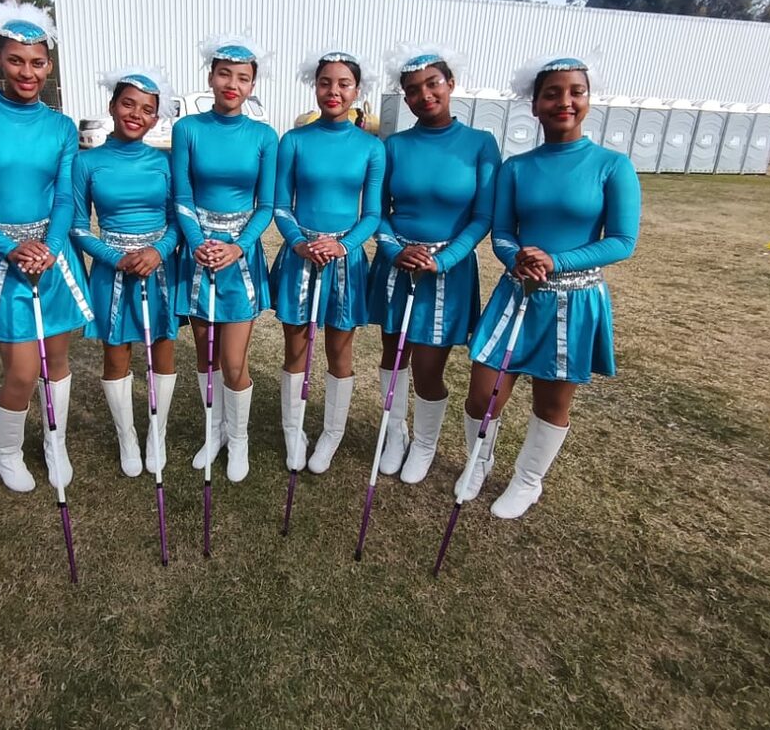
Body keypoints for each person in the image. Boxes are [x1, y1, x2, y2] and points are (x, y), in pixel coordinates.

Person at [455, 54, 640, 518]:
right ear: (534, 105)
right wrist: (517, 258)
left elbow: (621, 241)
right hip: (517, 293)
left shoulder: (613, 166)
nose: (565, 101)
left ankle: (527, 481)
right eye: (552, 93)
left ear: (588, 100)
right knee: (484, 392)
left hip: (573, 300)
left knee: (551, 399)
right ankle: (478, 462)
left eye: (575, 92)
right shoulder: (516, 167)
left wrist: (555, 260)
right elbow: (501, 233)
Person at [0, 1, 94, 493]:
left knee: (57, 362)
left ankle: (55, 441)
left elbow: (64, 198)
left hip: (52, 258)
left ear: (49, 65)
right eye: (16, 60)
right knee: (22, 371)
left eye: (37, 62)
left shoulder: (60, 126)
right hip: (1, 257)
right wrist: (9, 248)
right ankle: (6, 448)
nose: (27, 72)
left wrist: (51, 246)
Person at [368, 45, 501, 484]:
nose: (424, 95)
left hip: (447, 269)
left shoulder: (481, 144)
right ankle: (395, 434)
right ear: (404, 98)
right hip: (397, 264)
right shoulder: (394, 145)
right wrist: (392, 249)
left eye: (432, 84)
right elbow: (378, 211)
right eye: (412, 90)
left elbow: (484, 216)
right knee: (393, 355)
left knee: (429, 365)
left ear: (450, 84)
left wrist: (444, 260)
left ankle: (424, 443)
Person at [272, 48, 385, 475]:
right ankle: (293, 430)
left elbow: (372, 213)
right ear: (314, 86)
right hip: (300, 254)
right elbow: (280, 204)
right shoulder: (294, 140)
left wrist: (345, 245)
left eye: (343, 84)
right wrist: (300, 241)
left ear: (357, 90)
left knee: (340, 349)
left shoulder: (372, 148)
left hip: (345, 259)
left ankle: (331, 434)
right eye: (325, 83)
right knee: (296, 344)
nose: (333, 91)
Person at [171, 34, 278, 482]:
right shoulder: (187, 129)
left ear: (253, 85)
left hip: (240, 256)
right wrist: (198, 242)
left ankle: (239, 439)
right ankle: (213, 431)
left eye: (243, 78)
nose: (232, 84)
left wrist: (237, 247)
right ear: (210, 77)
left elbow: (267, 205)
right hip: (198, 253)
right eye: (224, 74)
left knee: (233, 361)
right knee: (204, 352)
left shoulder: (264, 135)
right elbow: (181, 194)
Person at [73, 67, 180, 476]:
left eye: (147, 109)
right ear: (112, 106)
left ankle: (157, 432)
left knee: (163, 352)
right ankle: (127, 437)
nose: (136, 114)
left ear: (156, 117)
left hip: (159, 267)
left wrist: (158, 250)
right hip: (110, 268)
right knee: (116, 354)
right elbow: (79, 227)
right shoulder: (86, 162)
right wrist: (114, 257)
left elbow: (176, 220)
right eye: (128, 104)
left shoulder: (166, 162)